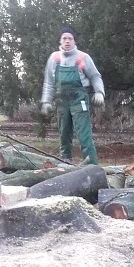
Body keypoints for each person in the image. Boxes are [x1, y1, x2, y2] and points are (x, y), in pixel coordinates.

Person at [40, 27, 105, 165]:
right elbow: (49, 82)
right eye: (64, 38)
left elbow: (95, 76)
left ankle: (92, 167)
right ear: (60, 40)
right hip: (62, 102)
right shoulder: (54, 58)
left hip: (79, 100)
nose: (67, 41)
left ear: (74, 41)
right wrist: (46, 101)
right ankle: (65, 165)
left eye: (70, 38)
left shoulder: (83, 57)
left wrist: (99, 92)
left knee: (84, 136)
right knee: (64, 135)